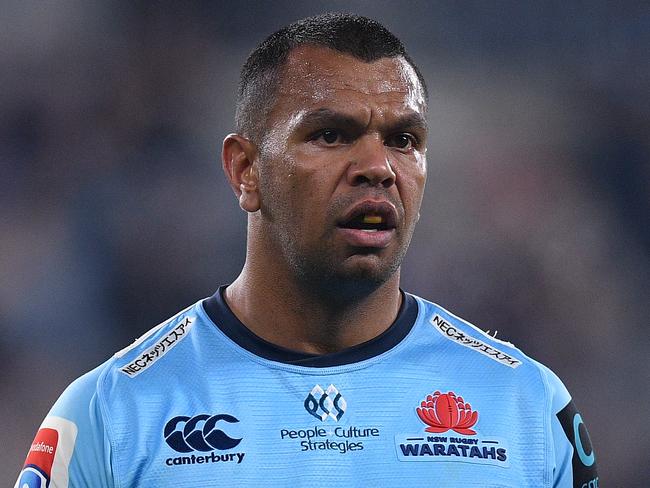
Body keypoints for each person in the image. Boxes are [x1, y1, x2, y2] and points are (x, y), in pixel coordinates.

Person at [16, 13, 598, 487]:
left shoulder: (526, 406)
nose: (378, 168)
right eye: (331, 134)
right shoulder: (113, 412)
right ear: (246, 170)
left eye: (404, 140)